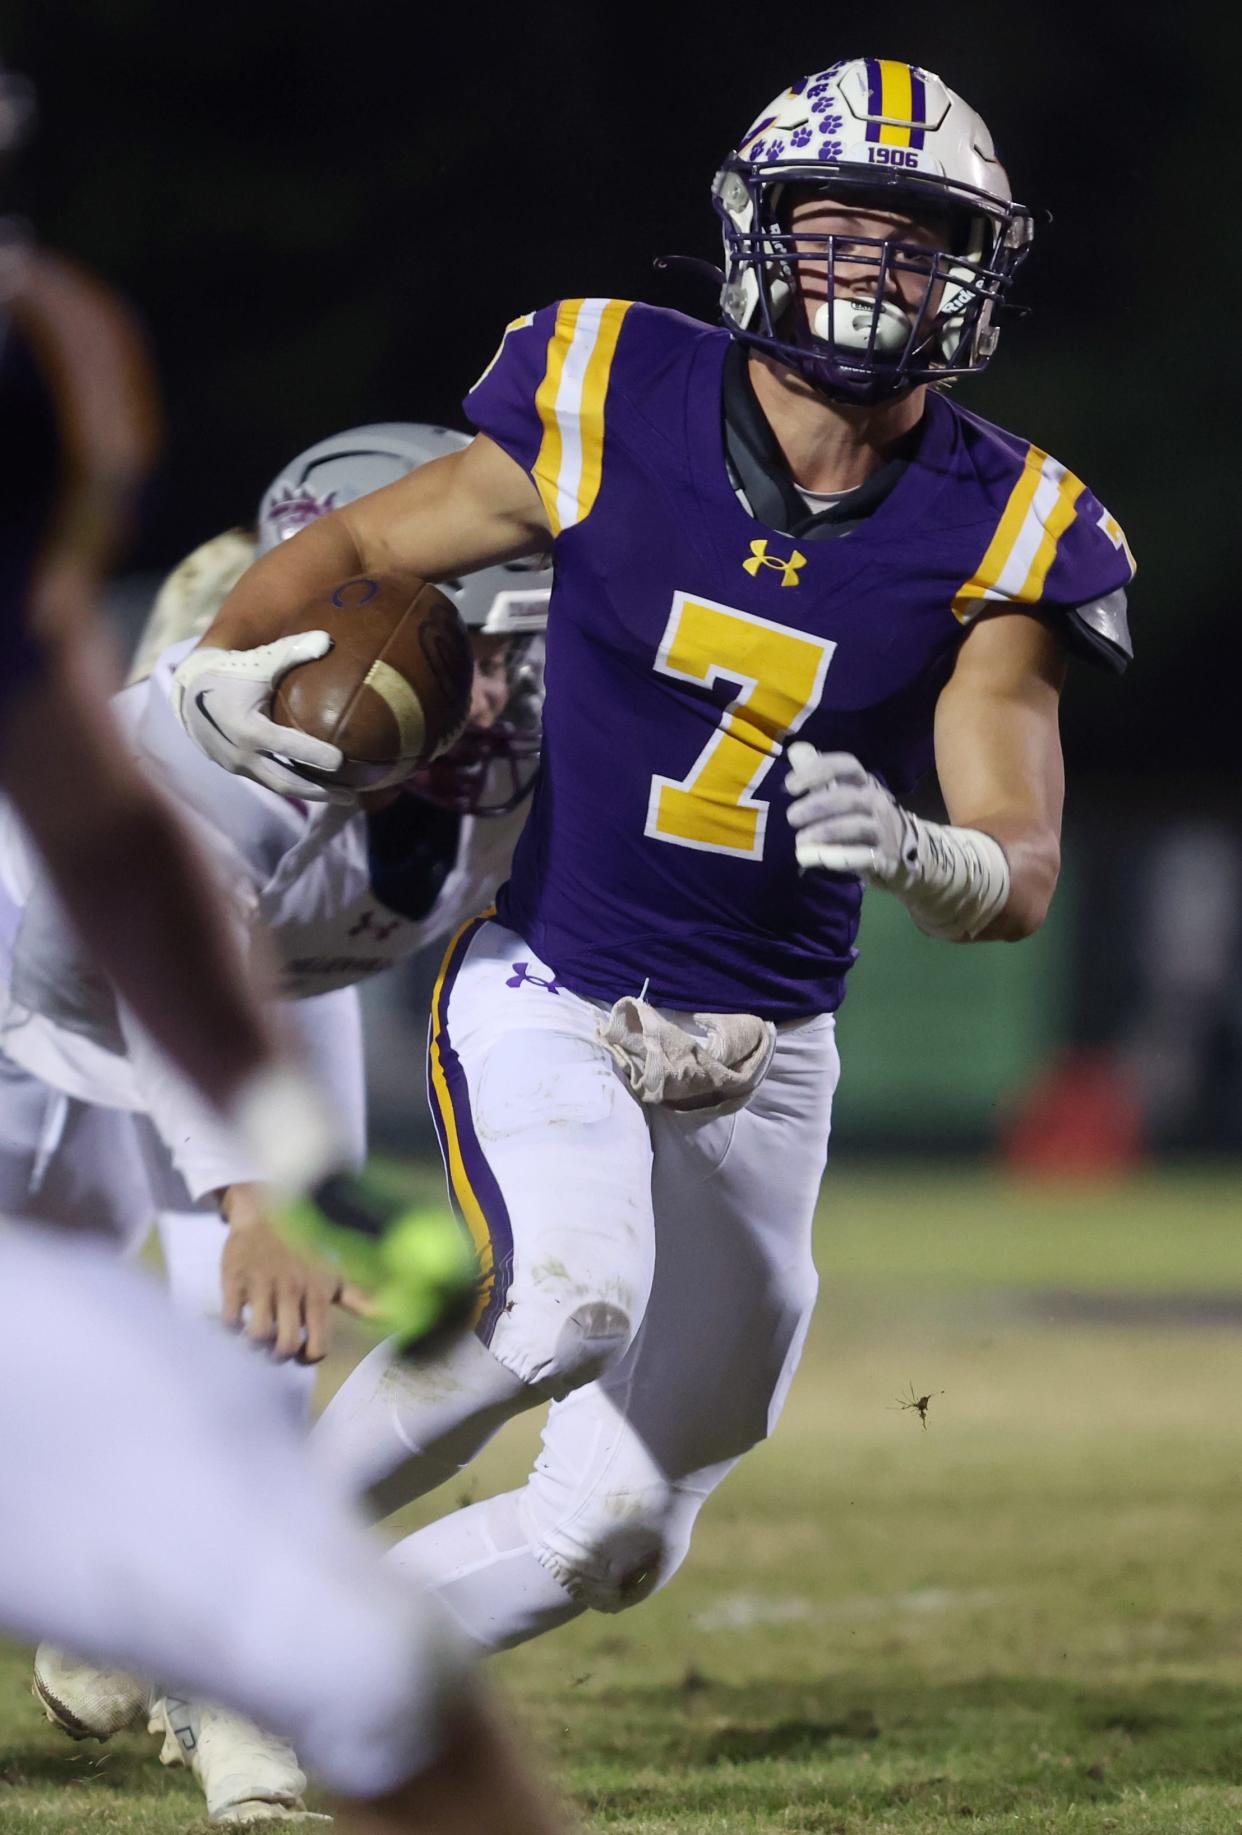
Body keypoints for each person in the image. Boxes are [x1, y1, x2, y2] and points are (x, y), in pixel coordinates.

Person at [172, 57, 1133, 1664]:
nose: (869, 275)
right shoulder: (609, 383)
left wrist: (916, 850)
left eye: (912, 244)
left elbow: (1019, 867)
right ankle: (241, 1601)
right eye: (836, 233)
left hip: (771, 1049)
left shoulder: (1012, 521)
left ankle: (287, 1651)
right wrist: (215, 669)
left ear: (970, 271)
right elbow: (342, 550)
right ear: (761, 237)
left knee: (620, 1528)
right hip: (555, 975)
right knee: (567, 1300)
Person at [0, 53, 564, 1831]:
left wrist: (289, 1181)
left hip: (219, 975)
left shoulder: (48, 368)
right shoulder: (263, 704)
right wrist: (253, 1181)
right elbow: (133, 860)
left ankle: (224, 1678)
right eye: (460, 628)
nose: (502, 664)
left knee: (263, 1326)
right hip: (24, 991)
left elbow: (163, 884)